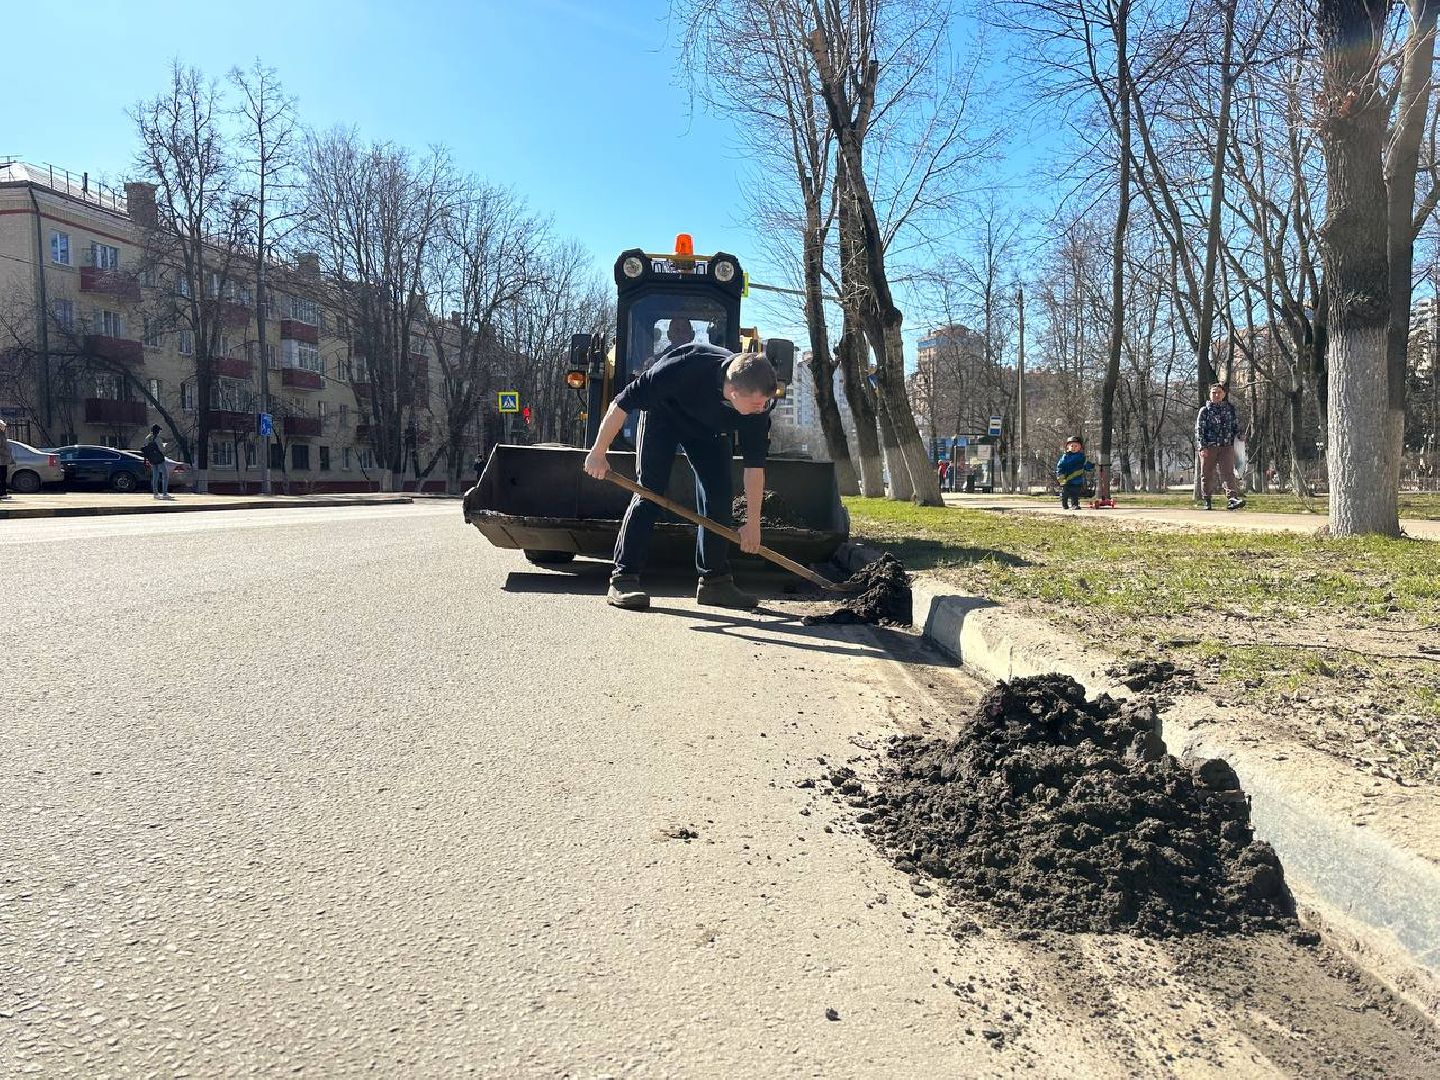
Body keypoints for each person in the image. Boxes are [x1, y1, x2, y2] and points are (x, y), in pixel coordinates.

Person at [583, 342, 776, 611]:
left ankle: (715, 582)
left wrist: (753, 524)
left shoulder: (759, 408)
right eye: (757, 402)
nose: (763, 407)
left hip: (708, 430)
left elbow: (755, 468)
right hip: (664, 415)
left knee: (718, 498)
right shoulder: (682, 368)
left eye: (766, 401)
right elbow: (622, 403)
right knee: (649, 493)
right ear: (733, 392)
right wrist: (598, 452)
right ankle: (623, 578)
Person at [1196, 383, 1245, 511]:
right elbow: (1199, 430)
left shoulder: (1229, 409)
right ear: (1210, 394)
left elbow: (1235, 426)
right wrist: (1202, 447)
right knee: (1206, 474)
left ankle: (1232, 499)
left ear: (1223, 394)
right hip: (1209, 447)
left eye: (1219, 392)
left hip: (1226, 446)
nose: (1216, 395)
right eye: (1213, 392)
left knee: (1228, 473)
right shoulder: (1205, 411)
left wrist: (1240, 436)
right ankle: (1207, 499)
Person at [1055, 435, 1094, 510]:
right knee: (1065, 493)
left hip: (1076, 479)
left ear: (1079, 448)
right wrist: (1060, 475)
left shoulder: (1081, 457)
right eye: (1072, 446)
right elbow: (1060, 466)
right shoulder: (1065, 457)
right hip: (1066, 479)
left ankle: (1074, 504)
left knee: (1075, 493)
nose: (1073, 448)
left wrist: (1091, 466)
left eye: (1076, 446)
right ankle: (1064, 504)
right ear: (1067, 447)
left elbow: (1086, 464)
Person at [141, 424, 172, 499]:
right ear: (157, 431)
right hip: (159, 459)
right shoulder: (157, 438)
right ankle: (164, 493)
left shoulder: (147, 438)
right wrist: (164, 446)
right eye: (159, 431)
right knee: (165, 475)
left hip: (151, 459)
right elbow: (162, 449)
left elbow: (145, 448)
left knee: (155, 476)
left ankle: (155, 494)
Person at [0, 419, 12, 500]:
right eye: (3, 426)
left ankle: (3, 493)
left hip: (3, 460)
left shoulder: (2, 435)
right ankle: (2, 493)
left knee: (3, 477)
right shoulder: (0, 435)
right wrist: (6, 453)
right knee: (2, 477)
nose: (5, 427)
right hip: (1, 460)